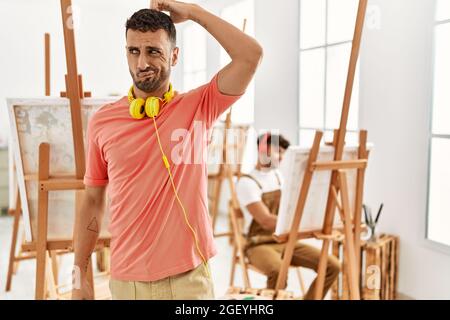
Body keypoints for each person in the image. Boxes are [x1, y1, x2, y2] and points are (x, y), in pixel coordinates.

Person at [72, 0, 263, 300]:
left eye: (153, 51)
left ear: (175, 56)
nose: (142, 63)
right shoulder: (102, 122)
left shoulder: (201, 106)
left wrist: (195, 12)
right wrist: (79, 273)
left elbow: (250, 56)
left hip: (190, 280)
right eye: (133, 51)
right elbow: (92, 201)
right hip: (127, 282)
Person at [236, 133, 341, 300]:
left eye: (283, 152)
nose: (281, 157)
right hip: (259, 244)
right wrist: (301, 223)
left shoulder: (278, 177)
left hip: (285, 240)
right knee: (278, 271)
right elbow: (266, 221)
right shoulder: (247, 183)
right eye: (277, 151)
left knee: (332, 265)